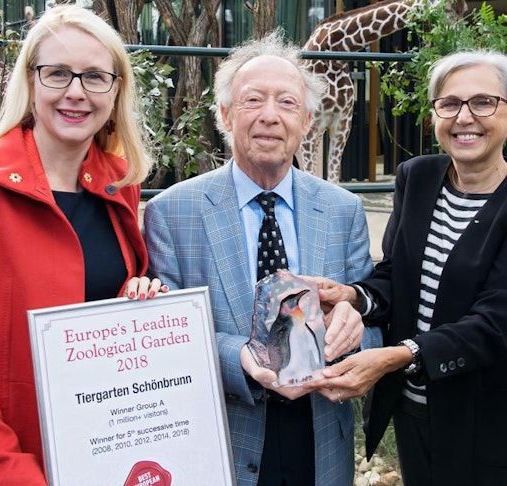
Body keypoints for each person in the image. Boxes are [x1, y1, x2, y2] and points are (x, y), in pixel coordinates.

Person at [0, 6, 163, 484]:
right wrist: (8, 471)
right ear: (30, 81)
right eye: (58, 73)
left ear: (116, 90)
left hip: (102, 457)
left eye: (94, 77)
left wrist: (139, 301)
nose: (75, 92)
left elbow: (102, 305)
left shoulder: (119, 187)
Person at [305, 50, 507, 485]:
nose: (464, 117)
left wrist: (399, 355)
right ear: (435, 116)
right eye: (449, 104)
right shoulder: (418, 177)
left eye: (484, 102)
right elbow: (398, 275)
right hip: (416, 410)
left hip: (492, 421)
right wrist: (353, 295)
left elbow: (499, 322)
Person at [135, 30, 379, 486]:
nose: (270, 116)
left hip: (321, 436)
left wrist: (354, 331)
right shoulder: (173, 212)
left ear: (307, 120)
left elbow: (370, 312)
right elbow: (166, 337)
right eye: (253, 101)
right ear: (226, 115)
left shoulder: (344, 210)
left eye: (287, 103)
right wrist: (240, 358)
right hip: (226, 435)